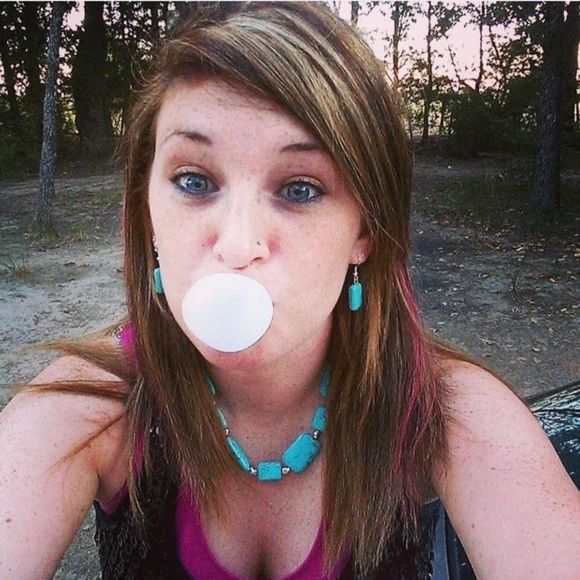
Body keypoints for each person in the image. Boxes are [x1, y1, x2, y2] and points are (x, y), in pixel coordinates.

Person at [0, 3, 578, 579]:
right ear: (147, 214)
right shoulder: (86, 408)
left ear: (364, 232)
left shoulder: (446, 414)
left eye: (300, 189)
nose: (237, 244)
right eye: (194, 181)